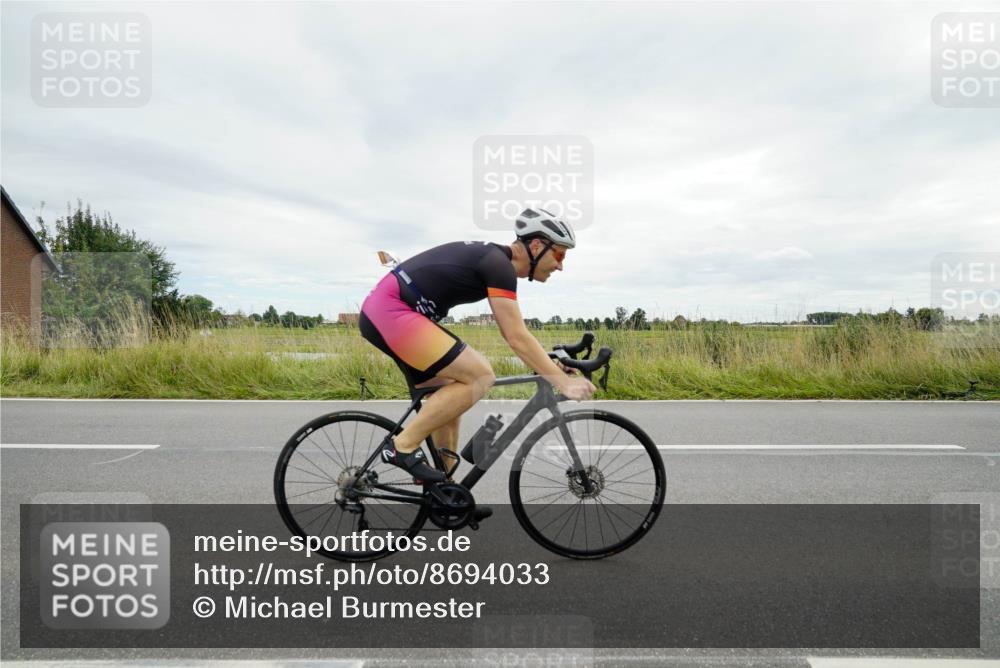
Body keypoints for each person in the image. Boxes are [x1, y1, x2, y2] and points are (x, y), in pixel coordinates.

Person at [358, 207, 596, 515]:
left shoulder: (495, 262)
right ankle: (401, 447)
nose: (560, 266)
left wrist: (549, 365)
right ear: (537, 245)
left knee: (450, 393)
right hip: (390, 310)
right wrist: (561, 381)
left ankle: (445, 495)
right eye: (560, 255)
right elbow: (515, 336)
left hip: (393, 312)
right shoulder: (498, 265)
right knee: (480, 376)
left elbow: (518, 335)